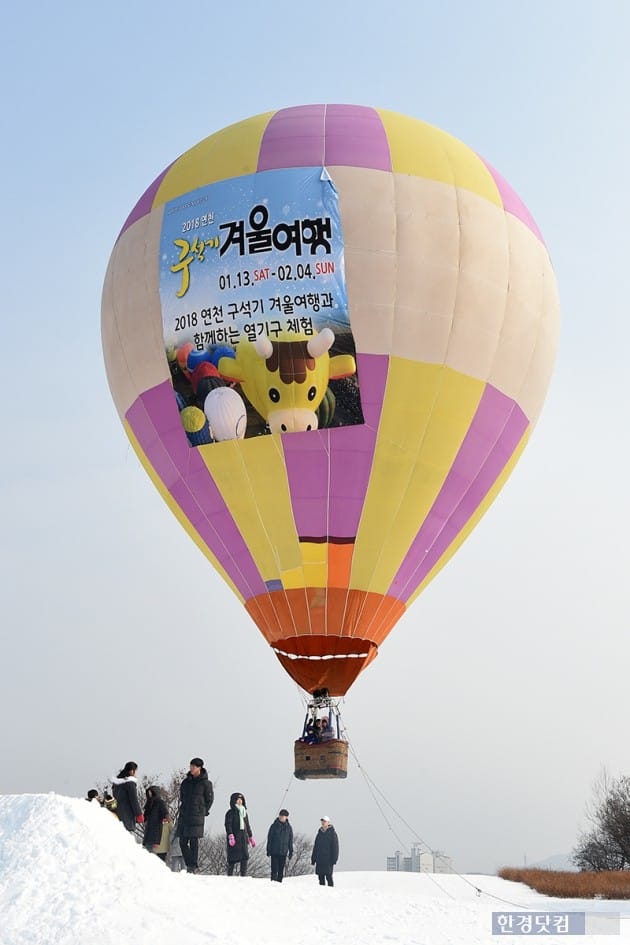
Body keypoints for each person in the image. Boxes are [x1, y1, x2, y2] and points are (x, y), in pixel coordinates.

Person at [178, 757, 214, 874]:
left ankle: (192, 866)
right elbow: (182, 797)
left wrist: (203, 811)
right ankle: (190, 863)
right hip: (184, 815)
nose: (191, 768)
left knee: (194, 841)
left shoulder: (206, 783)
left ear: (200, 768)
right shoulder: (185, 782)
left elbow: (209, 799)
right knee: (182, 841)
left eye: (194, 766)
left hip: (197, 815)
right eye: (191, 766)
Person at [225, 792, 255, 877]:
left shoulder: (244, 812)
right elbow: (228, 824)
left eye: (241, 799)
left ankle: (243, 876)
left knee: (244, 857)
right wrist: (230, 835)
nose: (239, 801)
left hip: (243, 838)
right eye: (238, 799)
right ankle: (229, 875)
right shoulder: (230, 813)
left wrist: (250, 836)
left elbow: (247, 825)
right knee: (232, 858)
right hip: (235, 837)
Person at [112, 762, 144, 833]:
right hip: (127, 817)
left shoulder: (116, 784)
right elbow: (134, 800)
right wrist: (139, 814)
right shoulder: (130, 784)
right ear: (132, 771)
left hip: (117, 815)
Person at [142, 785, 170, 861]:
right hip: (148, 829)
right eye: (148, 793)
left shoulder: (160, 802)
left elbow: (165, 812)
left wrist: (166, 817)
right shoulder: (148, 804)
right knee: (148, 849)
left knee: (151, 850)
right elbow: (145, 816)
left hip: (155, 829)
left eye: (150, 792)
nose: (149, 794)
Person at [266, 808, 293, 882]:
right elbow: (270, 838)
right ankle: (273, 883)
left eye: (283, 816)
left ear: (286, 817)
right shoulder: (274, 826)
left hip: (283, 852)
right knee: (274, 870)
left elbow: (290, 840)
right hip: (274, 851)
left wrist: (291, 851)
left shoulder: (289, 828)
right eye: (280, 815)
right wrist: (268, 849)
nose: (281, 817)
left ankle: (279, 884)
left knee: (281, 870)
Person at [311, 815, 339, 886]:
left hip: (328, 860)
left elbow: (335, 847)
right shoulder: (319, 834)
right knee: (320, 878)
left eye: (324, 821)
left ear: (328, 822)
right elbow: (315, 847)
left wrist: (334, 859)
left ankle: (331, 892)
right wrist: (313, 859)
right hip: (319, 859)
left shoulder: (332, 834)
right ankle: (321, 893)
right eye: (322, 821)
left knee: (329, 877)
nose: (323, 823)